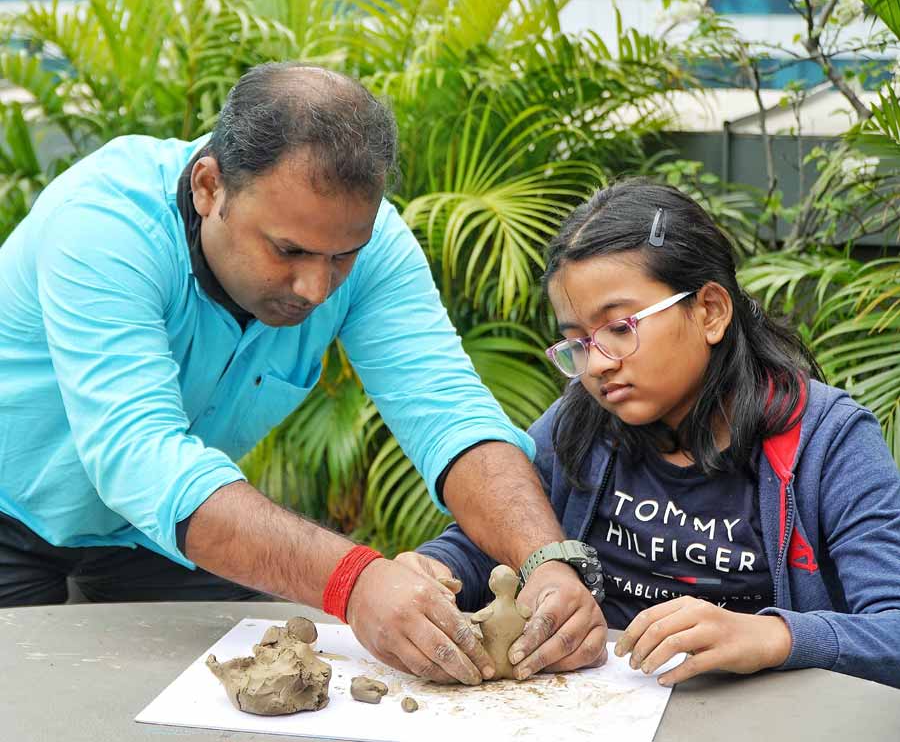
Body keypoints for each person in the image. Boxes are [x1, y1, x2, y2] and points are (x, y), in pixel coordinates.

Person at [0, 62, 606, 685]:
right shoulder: (102, 225)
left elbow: (448, 408)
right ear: (209, 187)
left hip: (156, 537)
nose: (316, 288)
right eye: (288, 250)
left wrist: (545, 560)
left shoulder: (375, 245)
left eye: (342, 255)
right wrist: (355, 579)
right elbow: (139, 456)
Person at [408, 179, 900, 688]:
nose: (597, 365)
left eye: (620, 328)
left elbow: (894, 631)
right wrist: (432, 573)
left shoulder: (830, 443)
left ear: (710, 311)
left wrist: (771, 637)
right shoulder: (579, 423)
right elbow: (490, 543)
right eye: (576, 342)